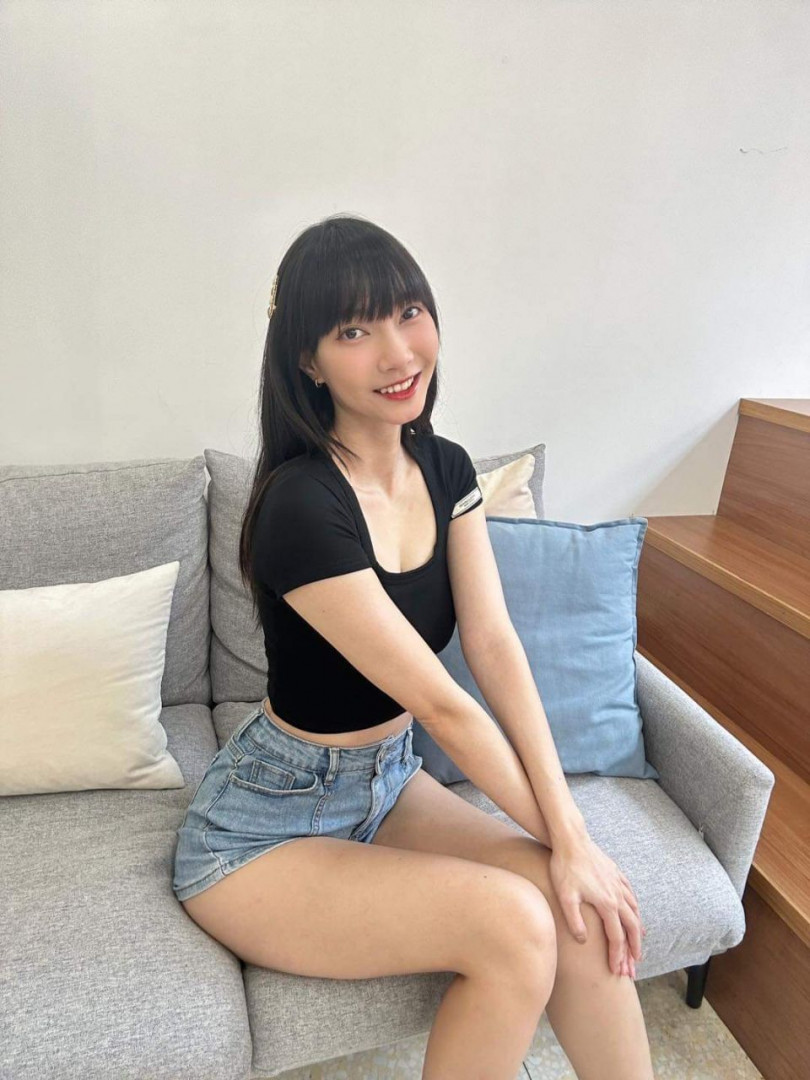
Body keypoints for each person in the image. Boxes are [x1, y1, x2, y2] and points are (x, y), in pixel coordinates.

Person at [172, 214, 654, 1079]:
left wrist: (570, 841)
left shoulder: (446, 467)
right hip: (264, 830)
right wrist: (570, 834)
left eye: (407, 314)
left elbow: (494, 644)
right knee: (520, 921)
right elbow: (441, 700)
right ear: (308, 361)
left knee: (575, 906)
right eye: (354, 332)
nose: (398, 354)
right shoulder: (299, 505)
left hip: (389, 783)